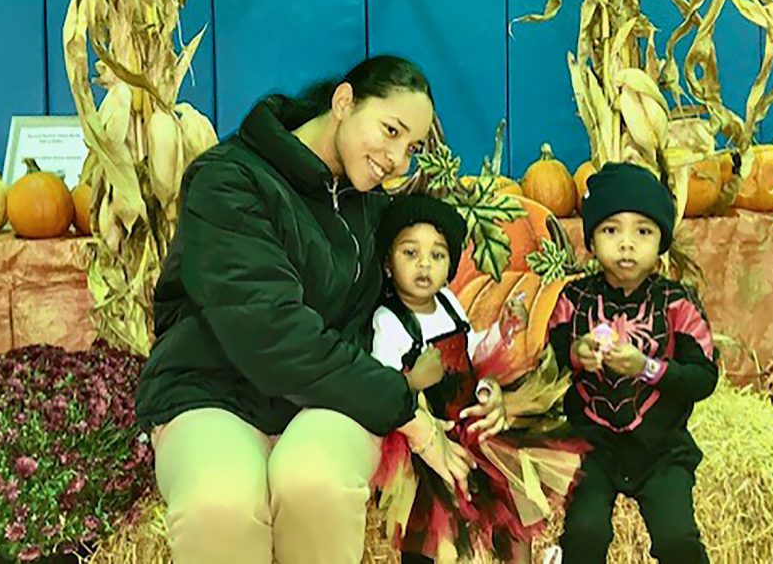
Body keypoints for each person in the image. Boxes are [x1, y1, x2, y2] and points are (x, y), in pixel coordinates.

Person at [134, 55, 475, 564]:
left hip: (328, 402)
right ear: (343, 102)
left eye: (413, 148)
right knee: (219, 504)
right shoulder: (228, 180)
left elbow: (416, 311)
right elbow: (273, 338)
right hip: (213, 389)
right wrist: (408, 415)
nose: (398, 160)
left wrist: (473, 396)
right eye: (390, 130)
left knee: (316, 485)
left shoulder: (373, 207)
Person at [371, 194, 586, 564]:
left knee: (508, 502)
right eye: (410, 253)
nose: (424, 264)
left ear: (451, 265)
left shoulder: (449, 303)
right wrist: (412, 380)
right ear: (389, 264)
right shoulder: (388, 320)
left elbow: (471, 348)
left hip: (468, 422)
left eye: (437, 255)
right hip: (426, 438)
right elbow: (379, 386)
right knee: (435, 528)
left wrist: (502, 331)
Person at [547, 162, 719, 564]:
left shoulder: (679, 303)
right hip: (591, 448)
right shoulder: (572, 301)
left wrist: (647, 367)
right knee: (585, 532)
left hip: (662, 450)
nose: (626, 244)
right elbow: (543, 365)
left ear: (661, 241)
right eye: (611, 230)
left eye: (643, 231)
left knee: (678, 539)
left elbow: (703, 377)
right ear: (591, 239)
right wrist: (575, 355)